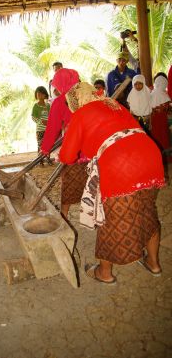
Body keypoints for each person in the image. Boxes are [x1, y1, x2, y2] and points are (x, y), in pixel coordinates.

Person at [59, 82, 164, 284]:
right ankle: (153, 263)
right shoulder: (113, 104)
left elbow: (67, 156)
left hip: (120, 166)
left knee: (110, 220)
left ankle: (104, 273)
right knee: (147, 213)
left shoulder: (81, 114)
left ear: (76, 102)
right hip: (150, 157)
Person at [41, 68, 88, 219]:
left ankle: (64, 214)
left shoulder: (60, 101)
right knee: (92, 182)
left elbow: (52, 128)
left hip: (73, 149)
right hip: (92, 147)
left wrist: (45, 148)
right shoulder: (87, 95)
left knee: (68, 183)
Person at [151, 73, 171, 158]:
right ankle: (166, 156)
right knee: (164, 135)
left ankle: (157, 155)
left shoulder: (151, 93)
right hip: (162, 119)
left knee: (155, 135)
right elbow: (168, 109)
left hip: (154, 119)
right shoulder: (164, 94)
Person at [31, 86, 51, 164]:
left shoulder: (48, 105)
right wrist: (41, 121)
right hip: (40, 129)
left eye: (41, 93)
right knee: (40, 145)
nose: (39, 95)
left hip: (48, 129)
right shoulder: (36, 106)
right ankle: (40, 161)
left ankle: (48, 159)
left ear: (45, 95)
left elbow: (51, 116)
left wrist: (48, 122)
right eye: (37, 93)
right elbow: (33, 117)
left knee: (48, 144)